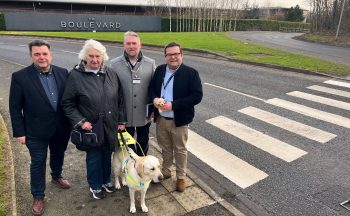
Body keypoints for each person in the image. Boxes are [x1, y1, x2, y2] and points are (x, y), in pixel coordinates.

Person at [9, 40, 71, 215]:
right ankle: (38, 195)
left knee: (59, 154)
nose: (41, 57)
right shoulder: (20, 77)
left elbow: (68, 100)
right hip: (35, 131)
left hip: (60, 127)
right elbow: (15, 107)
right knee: (37, 163)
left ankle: (57, 176)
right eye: (37, 54)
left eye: (44, 53)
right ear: (31, 56)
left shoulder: (62, 72)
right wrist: (19, 132)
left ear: (50, 55)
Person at [61, 39, 126, 200]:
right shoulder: (75, 76)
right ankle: (95, 185)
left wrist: (121, 121)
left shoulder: (111, 73)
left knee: (107, 153)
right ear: (85, 56)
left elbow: (120, 98)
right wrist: (81, 122)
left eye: (98, 56)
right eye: (91, 56)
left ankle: (106, 180)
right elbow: (67, 103)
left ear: (103, 57)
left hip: (109, 124)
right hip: (91, 127)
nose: (95, 60)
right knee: (94, 156)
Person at [148, 42, 203, 192]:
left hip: (179, 120)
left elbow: (197, 96)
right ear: (165, 57)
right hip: (161, 119)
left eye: (176, 54)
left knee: (180, 150)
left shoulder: (191, 73)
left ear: (181, 55)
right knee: (165, 148)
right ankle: (166, 171)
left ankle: (181, 177)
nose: (173, 57)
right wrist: (154, 99)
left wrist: (173, 105)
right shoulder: (159, 70)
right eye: (169, 54)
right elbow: (152, 88)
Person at [110, 31, 156, 156]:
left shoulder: (150, 63)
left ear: (140, 45)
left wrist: (154, 109)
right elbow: (111, 90)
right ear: (124, 45)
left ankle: (142, 167)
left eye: (134, 43)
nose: (131, 46)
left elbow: (154, 87)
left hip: (143, 114)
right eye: (128, 43)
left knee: (143, 142)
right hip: (124, 115)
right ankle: (130, 169)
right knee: (126, 146)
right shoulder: (114, 64)